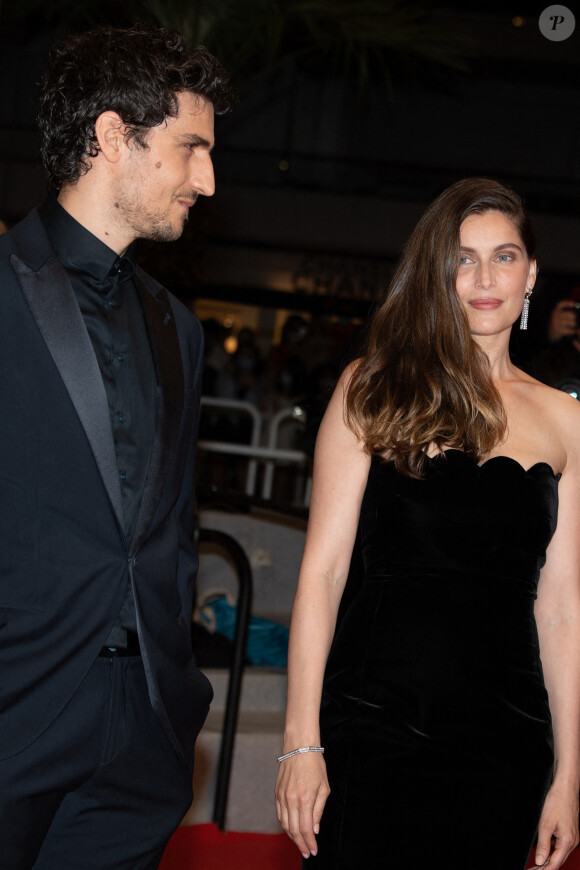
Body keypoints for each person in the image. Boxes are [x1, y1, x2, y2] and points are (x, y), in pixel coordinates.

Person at [275, 178, 580, 869]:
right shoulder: (373, 386)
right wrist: (301, 739)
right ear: (437, 274)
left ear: (532, 274)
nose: (483, 277)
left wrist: (569, 776)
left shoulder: (568, 423)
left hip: (505, 742)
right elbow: (321, 575)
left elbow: (562, 611)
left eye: (503, 257)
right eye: (462, 258)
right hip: (371, 726)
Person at [0, 25, 233, 869]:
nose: (207, 179)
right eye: (189, 149)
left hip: (141, 723)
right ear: (111, 137)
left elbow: (170, 520)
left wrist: (177, 689)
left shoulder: (180, 328)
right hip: (16, 709)